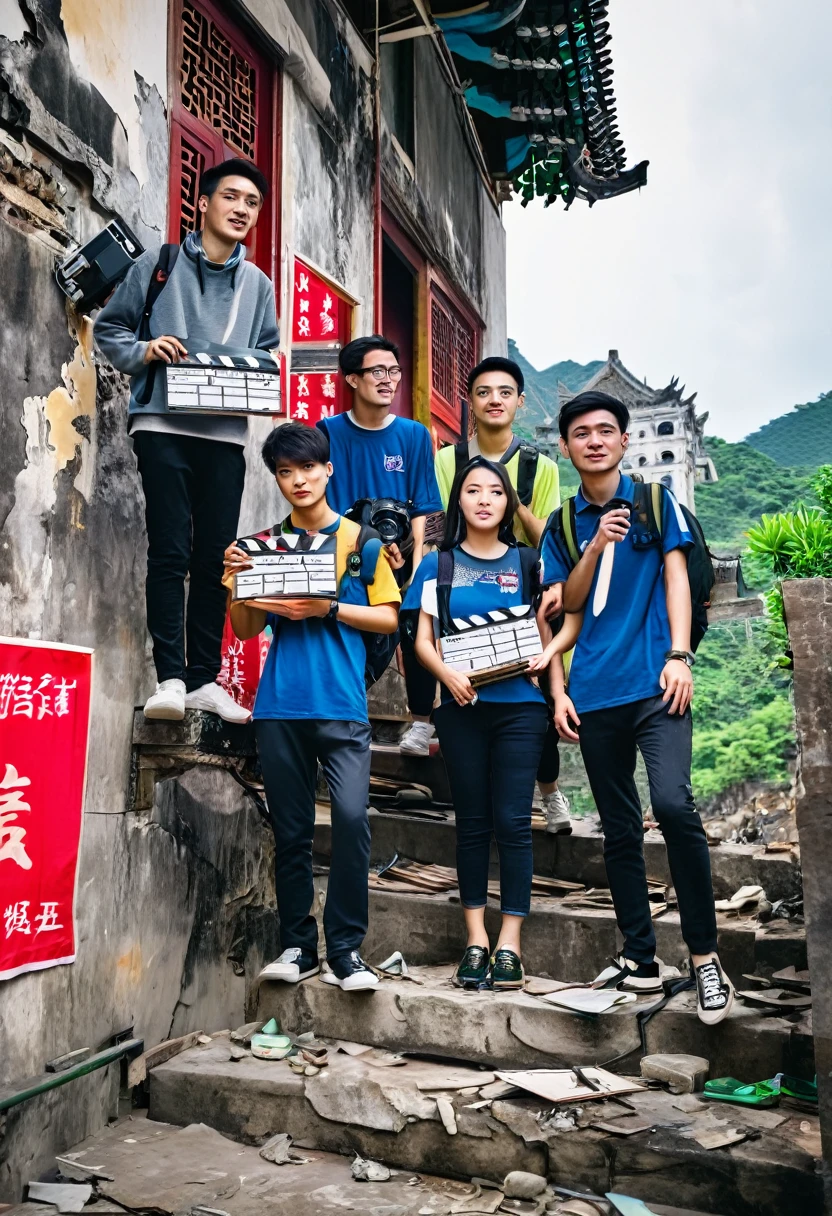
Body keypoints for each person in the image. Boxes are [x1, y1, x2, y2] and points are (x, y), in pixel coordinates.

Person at [540, 390, 733, 1025]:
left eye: (605, 431)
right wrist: (561, 691)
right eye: (581, 434)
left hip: (656, 683)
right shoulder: (564, 525)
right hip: (595, 692)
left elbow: (677, 578)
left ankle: (705, 957)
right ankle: (640, 956)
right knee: (619, 827)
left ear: (624, 441)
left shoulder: (655, 503)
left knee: (675, 806)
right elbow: (565, 603)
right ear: (566, 448)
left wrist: (680, 654)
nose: (594, 441)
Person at [95, 157, 279, 724]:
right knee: (170, 550)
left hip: (225, 435)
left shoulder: (258, 284)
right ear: (203, 202)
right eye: (231, 197)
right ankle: (170, 678)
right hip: (163, 426)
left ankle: (204, 680)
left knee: (215, 556)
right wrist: (146, 350)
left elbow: (268, 351)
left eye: (252, 203)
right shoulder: (160, 264)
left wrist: (265, 367)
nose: (242, 210)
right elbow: (110, 329)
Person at [223, 423, 400, 991]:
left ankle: (346, 950)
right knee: (292, 831)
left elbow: (388, 618)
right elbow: (247, 630)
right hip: (279, 707)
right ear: (276, 478)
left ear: (327, 469)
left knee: (351, 823)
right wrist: (236, 584)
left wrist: (326, 608)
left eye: (307, 468)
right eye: (285, 472)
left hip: (342, 706)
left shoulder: (361, 543)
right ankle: (299, 946)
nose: (298, 480)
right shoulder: (262, 546)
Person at [411, 457, 580, 990]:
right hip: (460, 711)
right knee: (472, 821)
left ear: (509, 502)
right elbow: (421, 641)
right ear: (457, 500)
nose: (484, 499)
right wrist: (447, 676)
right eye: (472, 490)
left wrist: (556, 697)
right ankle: (475, 940)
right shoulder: (436, 565)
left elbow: (545, 636)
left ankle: (510, 942)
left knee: (513, 822)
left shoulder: (530, 564)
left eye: (495, 492)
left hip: (520, 710)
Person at [435, 356, 571, 834]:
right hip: (466, 583)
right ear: (469, 401)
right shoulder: (446, 460)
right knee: (467, 693)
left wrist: (509, 497)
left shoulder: (542, 467)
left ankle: (551, 792)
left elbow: (548, 541)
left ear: (519, 400)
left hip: (522, 583)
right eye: (484, 392)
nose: (495, 400)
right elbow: (442, 527)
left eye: (504, 392)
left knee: (530, 691)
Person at [317, 335, 443, 755]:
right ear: (352, 378)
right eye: (377, 372)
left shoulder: (412, 435)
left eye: (394, 371)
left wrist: (418, 557)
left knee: (413, 624)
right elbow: (321, 500)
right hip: (345, 557)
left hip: (401, 553)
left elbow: (425, 504)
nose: (388, 380)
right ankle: (337, 717)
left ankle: (422, 722)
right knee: (345, 632)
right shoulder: (328, 432)